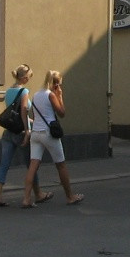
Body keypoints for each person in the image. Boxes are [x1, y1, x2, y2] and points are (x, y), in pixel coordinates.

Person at [21, 69, 83, 207]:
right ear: (55, 84)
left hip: (36, 133)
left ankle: (26, 199)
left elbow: (35, 114)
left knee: (33, 166)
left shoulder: (36, 95)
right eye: (59, 84)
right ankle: (70, 196)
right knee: (61, 165)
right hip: (48, 133)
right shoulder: (51, 95)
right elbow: (61, 113)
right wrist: (60, 96)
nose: (60, 87)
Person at [0, 64, 46, 206]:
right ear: (24, 78)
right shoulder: (24, 91)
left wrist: (30, 120)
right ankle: (38, 194)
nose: (29, 80)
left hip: (8, 131)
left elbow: (13, 113)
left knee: (4, 164)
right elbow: (22, 111)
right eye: (28, 77)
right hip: (21, 132)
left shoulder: (9, 91)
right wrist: (28, 131)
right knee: (31, 164)